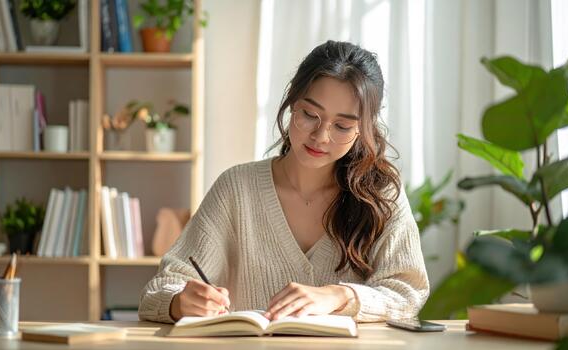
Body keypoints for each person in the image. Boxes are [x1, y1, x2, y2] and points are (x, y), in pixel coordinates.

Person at [139, 40, 429, 323]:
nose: (321, 136)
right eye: (310, 114)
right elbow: (159, 289)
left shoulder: (381, 193)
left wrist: (339, 296)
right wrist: (180, 302)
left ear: (363, 129)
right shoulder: (237, 188)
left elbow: (408, 292)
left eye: (342, 126)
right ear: (292, 101)